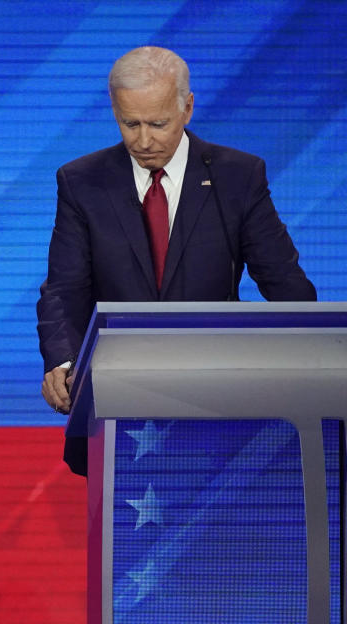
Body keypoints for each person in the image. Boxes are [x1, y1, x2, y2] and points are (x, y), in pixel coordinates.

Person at [36, 46, 315, 476]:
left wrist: (307, 360)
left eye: (158, 124)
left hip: (219, 397)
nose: (143, 140)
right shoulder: (81, 181)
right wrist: (63, 362)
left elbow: (285, 285)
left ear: (187, 107)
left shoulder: (237, 176)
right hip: (118, 401)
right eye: (130, 123)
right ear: (113, 108)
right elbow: (64, 288)